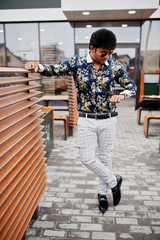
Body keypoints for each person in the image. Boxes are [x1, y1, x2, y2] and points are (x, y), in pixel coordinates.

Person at [25, 28, 136, 213]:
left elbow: (131, 86)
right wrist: (37, 66)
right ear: (92, 48)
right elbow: (54, 69)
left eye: (110, 52)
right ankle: (113, 181)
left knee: (105, 158)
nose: (107, 56)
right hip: (86, 120)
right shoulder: (77, 63)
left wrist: (122, 94)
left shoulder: (114, 66)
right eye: (103, 52)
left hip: (109, 120)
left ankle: (102, 193)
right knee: (86, 158)